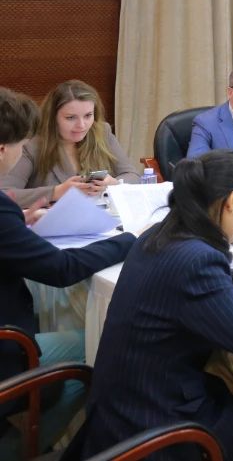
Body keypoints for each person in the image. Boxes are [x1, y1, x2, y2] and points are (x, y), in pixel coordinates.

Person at [72, 150, 233, 461]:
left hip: (116, 412)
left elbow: (180, 283)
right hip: (155, 427)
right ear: (232, 200)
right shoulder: (198, 259)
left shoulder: (158, 234)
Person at [0, 87, 135, 457]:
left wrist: (17, 222)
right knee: (95, 346)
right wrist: (130, 240)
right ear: (3, 149)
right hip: (7, 348)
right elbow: (62, 270)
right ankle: (20, 451)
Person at [0, 80, 139, 208]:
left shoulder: (102, 132)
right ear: (53, 117)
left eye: (88, 115)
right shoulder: (31, 145)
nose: (82, 125)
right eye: (71, 117)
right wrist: (56, 192)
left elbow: (132, 175)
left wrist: (114, 183)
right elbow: (4, 194)